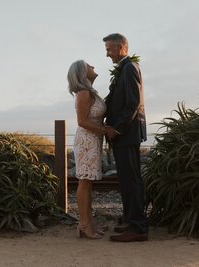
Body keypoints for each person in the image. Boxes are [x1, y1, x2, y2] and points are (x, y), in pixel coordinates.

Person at [103, 33, 148, 242]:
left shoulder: (129, 68)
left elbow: (132, 103)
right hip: (126, 134)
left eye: (109, 49)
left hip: (127, 134)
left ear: (121, 47)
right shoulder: (126, 68)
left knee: (131, 181)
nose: (107, 54)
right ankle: (132, 222)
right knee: (127, 181)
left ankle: (138, 228)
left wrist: (116, 129)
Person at [67, 60, 107, 239]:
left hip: (94, 140)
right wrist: (106, 130)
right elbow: (82, 121)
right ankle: (84, 224)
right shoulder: (83, 93)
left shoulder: (90, 92)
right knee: (85, 181)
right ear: (83, 72)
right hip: (86, 141)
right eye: (89, 65)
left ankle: (88, 223)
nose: (93, 66)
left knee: (88, 183)